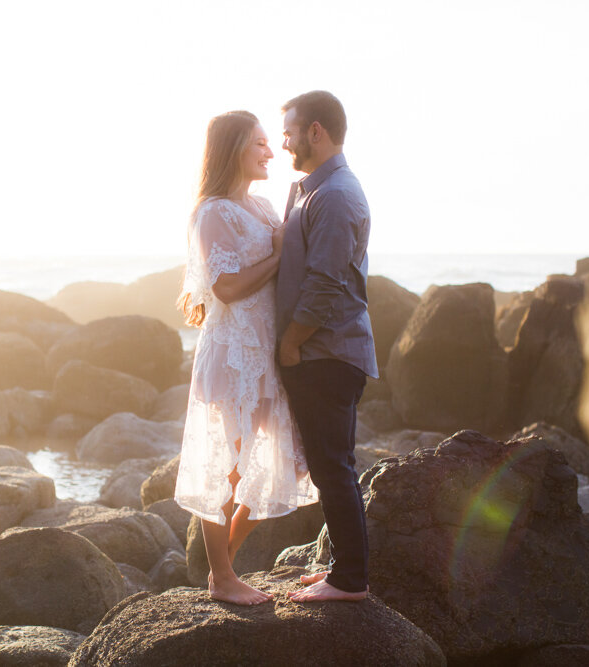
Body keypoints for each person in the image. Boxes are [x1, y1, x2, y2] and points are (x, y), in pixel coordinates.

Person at [175, 110, 319, 606]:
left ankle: (222, 572)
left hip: (265, 355)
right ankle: (223, 578)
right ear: (235, 147)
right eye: (259, 143)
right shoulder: (212, 213)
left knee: (282, 464)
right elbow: (228, 288)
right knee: (226, 471)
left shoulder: (261, 207)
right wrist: (280, 255)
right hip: (231, 353)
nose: (270, 151)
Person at [275, 90, 379, 603]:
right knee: (327, 464)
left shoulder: (336, 194)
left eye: (290, 130)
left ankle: (350, 581)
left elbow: (325, 284)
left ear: (316, 131)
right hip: (321, 353)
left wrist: (291, 344)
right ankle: (342, 569)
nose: (284, 140)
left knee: (333, 466)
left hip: (327, 354)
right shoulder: (312, 189)